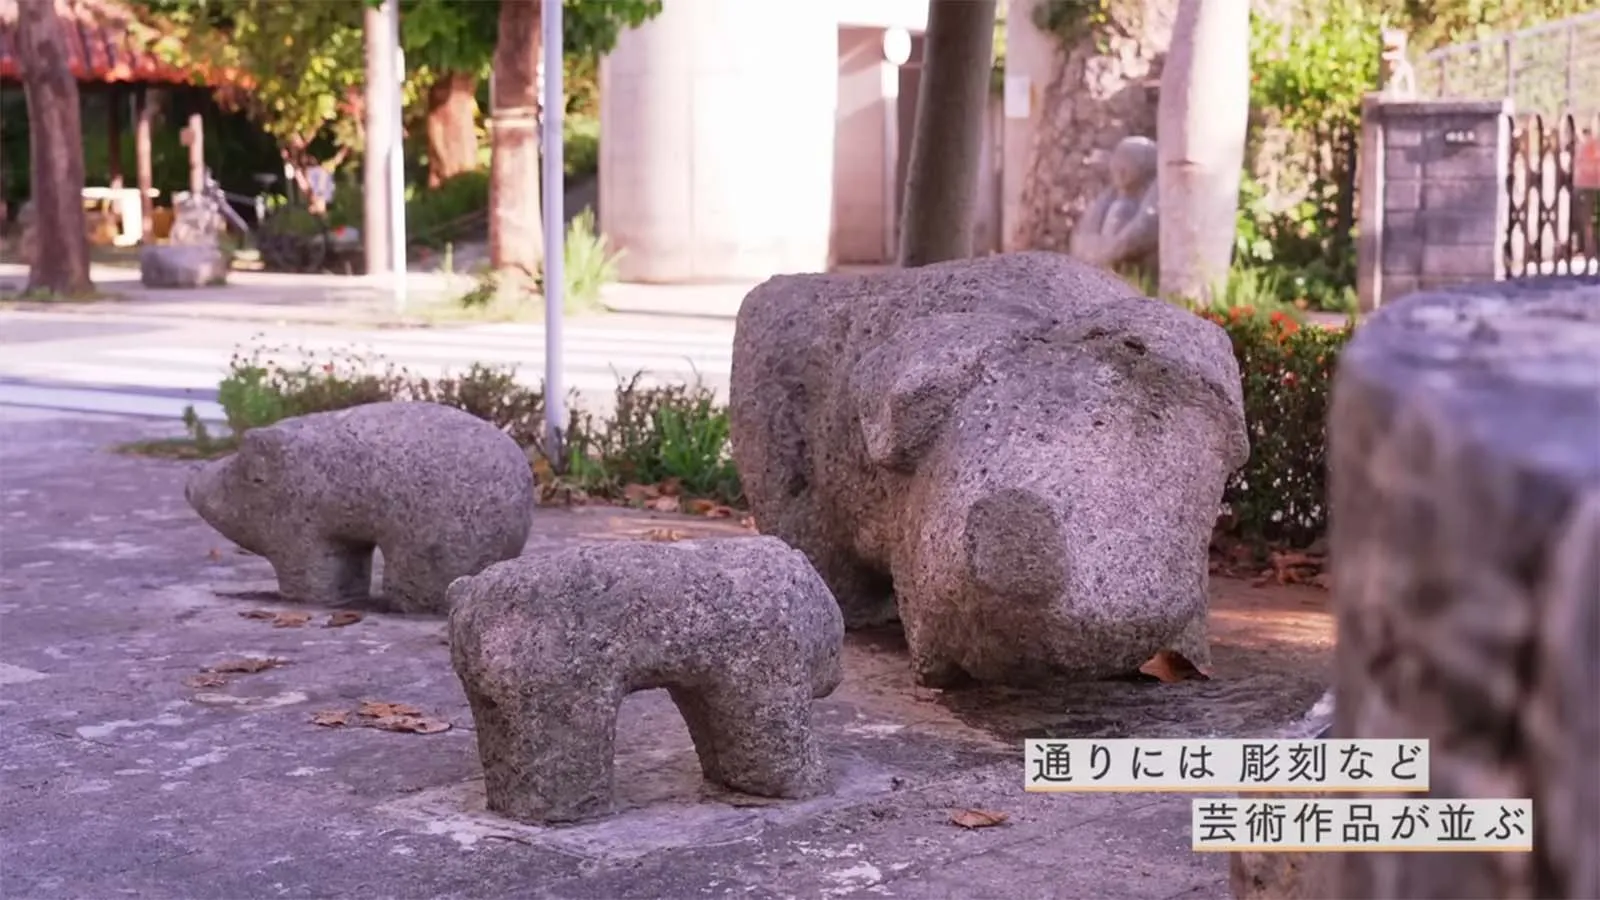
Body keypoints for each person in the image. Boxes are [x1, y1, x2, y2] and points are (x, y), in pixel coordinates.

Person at [1069, 136, 1160, 276]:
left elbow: (1140, 232)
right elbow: (1082, 234)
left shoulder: (1152, 195)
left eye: (1130, 161)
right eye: (1118, 160)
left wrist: (1104, 254)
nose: (1119, 168)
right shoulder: (1110, 195)